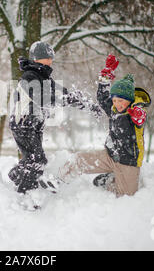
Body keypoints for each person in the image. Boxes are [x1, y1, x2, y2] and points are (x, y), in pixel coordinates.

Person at [8, 41, 102, 194]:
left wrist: (86, 104)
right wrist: (64, 99)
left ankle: (17, 176)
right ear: (37, 58)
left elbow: (63, 93)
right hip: (23, 124)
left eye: (51, 57)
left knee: (33, 159)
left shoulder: (44, 77)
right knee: (36, 160)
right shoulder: (29, 76)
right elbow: (43, 98)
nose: (51, 61)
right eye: (47, 57)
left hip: (34, 125)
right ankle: (25, 193)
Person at [58, 54, 151, 197]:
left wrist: (138, 114)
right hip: (110, 156)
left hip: (128, 162)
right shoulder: (114, 109)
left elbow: (140, 119)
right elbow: (102, 98)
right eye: (115, 100)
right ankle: (57, 181)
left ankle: (109, 181)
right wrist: (106, 76)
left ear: (129, 100)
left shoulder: (135, 112)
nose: (117, 104)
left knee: (126, 197)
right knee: (78, 160)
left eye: (121, 101)